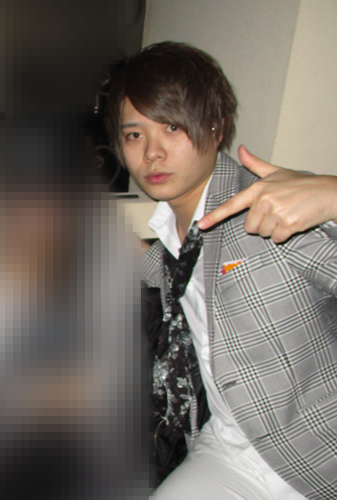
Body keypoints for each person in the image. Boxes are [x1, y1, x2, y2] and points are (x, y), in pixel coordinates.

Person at [106, 41, 337, 499]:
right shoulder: (176, 231)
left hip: (316, 454)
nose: (151, 153)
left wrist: (334, 194)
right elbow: (184, 275)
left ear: (216, 126)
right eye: (134, 135)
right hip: (227, 450)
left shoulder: (269, 207)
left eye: (172, 127)